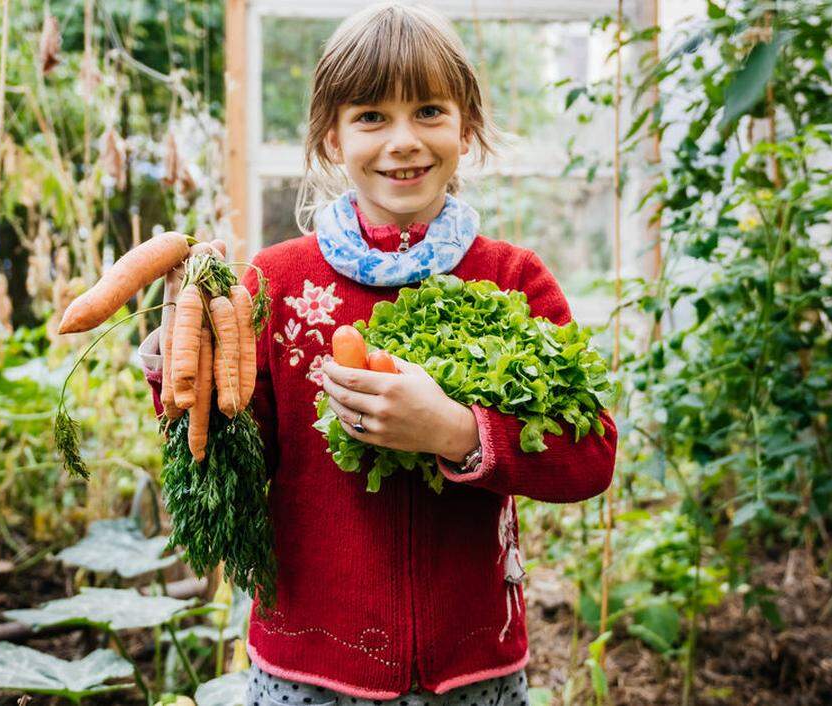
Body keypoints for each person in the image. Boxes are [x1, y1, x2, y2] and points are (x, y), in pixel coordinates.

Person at [138, 4, 616, 704]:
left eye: (429, 111)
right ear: (330, 138)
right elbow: (232, 459)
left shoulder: (512, 278)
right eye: (371, 117)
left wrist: (456, 432)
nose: (403, 141)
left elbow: (591, 456)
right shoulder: (276, 281)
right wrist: (182, 365)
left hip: (471, 668)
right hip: (309, 667)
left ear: (467, 127)